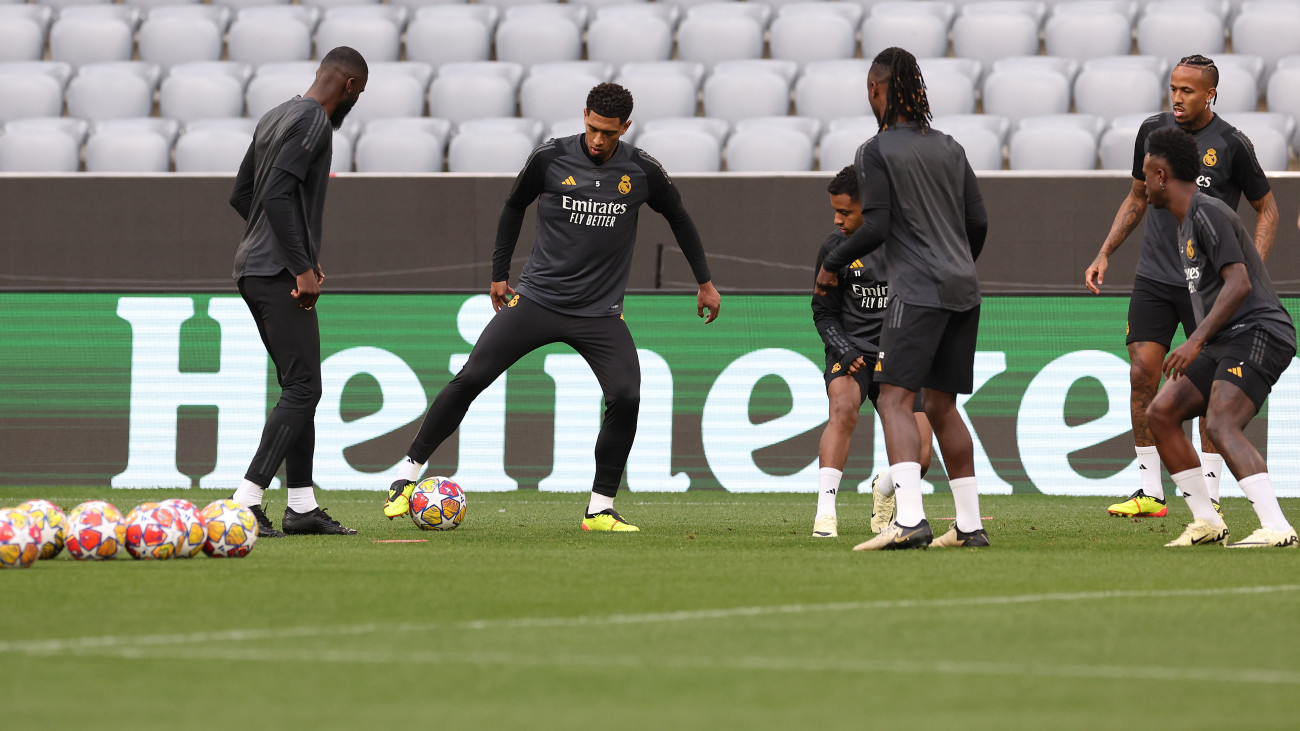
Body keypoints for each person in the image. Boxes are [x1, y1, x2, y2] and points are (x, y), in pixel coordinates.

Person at [382, 83, 721, 531]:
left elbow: (679, 216)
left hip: (600, 314)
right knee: (472, 377)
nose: (598, 140)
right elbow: (512, 206)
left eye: (609, 132)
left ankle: (599, 509)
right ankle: (406, 476)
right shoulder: (550, 157)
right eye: (592, 128)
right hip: (537, 300)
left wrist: (705, 282)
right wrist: (499, 273)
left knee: (627, 395)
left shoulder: (641, 171)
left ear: (626, 127)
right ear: (583, 116)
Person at [1084, 54, 1278, 519]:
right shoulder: (1152, 132)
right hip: (1154, 276)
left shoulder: (1232, 143)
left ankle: (1208, 492)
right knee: (1141, 375)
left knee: (1209, 390)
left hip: (1206, 288)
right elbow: (1136, 197)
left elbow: (1267, 209)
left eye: (1188, 90)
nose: (1177, 97)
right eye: (1173, 88)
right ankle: (1151, 491)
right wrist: (1105, 251)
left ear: (1211, 93)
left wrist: (1249, 267)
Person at [813, 47, 989, 551]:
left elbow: (880, 224)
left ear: (876, 90)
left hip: (917, 291)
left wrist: (833, 263)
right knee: (941, 404)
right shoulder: (951, 146)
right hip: (963, 289)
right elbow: (977, 223)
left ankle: (910, 519)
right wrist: (956, 261)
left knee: (893, 397)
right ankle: (970, 526)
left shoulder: (875, 150)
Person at [226, 47, 368, 538]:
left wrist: (297, 249)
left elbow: (243, 193)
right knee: (306, 388)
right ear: (348, 86)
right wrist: (300, 265)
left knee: (298, 386)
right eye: (359, 94)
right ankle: (245, 501)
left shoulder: (275, 115)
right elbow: (275, 195)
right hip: (276, 273)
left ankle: (302, 507)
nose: (356, 103)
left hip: (253, 267)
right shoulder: (314, 122)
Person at [1141, 127, 1297, 548]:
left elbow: (1240, 282)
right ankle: (1207, 521)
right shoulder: (1185, 222)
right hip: (1226, 338)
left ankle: (1277, 527)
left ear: (1160, 175)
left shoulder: (1207, 212)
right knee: (1161, 412)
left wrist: (1195, 342)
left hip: (1259, 329)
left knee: (1221, 422)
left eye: (1145, 171)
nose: (1142, 181)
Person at [811, 166, 933, 538]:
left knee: (922, 458)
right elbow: (823, 311)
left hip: (898, 353)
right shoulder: (834, 249)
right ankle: (825, 515)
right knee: (843, 409)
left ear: (870, 207)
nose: (836, 219)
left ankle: (883, 487)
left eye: (845, 212)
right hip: (852, 354)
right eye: (835, 211)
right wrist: (844, 350)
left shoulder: (908, 243)